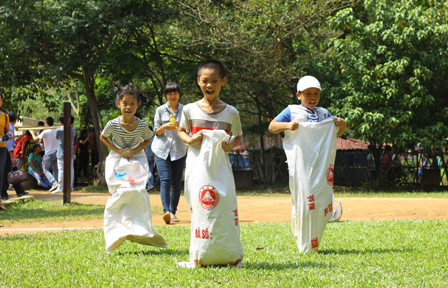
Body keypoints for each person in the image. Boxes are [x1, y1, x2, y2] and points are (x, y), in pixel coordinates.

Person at [177, 60, 244, 266]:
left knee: (223, 204)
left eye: (214, 81)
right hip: (197, 168)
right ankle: (201, 254)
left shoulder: (230, 112)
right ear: (198, 81)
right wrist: (190, 140)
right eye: (205, 81)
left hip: (221, 168)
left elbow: (238, 135)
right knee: (200, 206)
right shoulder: (189, 110)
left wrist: (229, 146)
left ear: (223, 82)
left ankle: (228, 254)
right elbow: (181, 131)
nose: (209, 85)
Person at [268, 75, 347, 222]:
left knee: (323, 186)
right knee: (304, 190)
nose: (313, 97)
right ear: (298, 95)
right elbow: (272, 126)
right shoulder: (291, 111)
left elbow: (334, 134)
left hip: (320, 160)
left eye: (316, 93)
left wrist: (343, 125)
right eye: (308, 93)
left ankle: (327, 214)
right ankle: (303, 217)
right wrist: (287, 125)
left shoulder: (323, 113)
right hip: (301, 161)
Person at [100, 85, 167, 252]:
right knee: (117, 189)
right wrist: (118, 152)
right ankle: (116, 230)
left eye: (132, 104)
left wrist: (133, 152)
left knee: (137, 190)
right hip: (117, 157)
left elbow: (147, 140)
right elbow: (103, 136)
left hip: (136, 156)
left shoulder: (142, 125)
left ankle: (140, 228)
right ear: (118, 104)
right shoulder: (113, 124)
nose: (128, 107)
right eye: (124, 103)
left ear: (137, 106)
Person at [152, 82, 187, 224]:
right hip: (162, 150)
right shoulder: (160, 110)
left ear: (179, 94)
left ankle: (173, 212)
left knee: (177, 182)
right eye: (169, 93)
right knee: (165, 180)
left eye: (175, 93)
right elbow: (156, 131)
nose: (172, 96)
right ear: (166, 95)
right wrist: (166, 126)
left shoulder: (185, 110)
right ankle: (166, 211)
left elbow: (188, 129)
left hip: (179, 150)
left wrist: (181, 128)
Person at [2, 111, 29, 200]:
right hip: (7, 152)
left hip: (6, 152)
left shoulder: (9, 126)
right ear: (16, 119)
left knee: (13, 170)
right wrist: (11, 156)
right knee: (6, 172)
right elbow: (9, 143)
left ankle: (19, 191)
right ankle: (3, 193)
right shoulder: (10, 128)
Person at [30, 117, 59, 192]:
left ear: (46, 124)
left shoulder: (46, 131)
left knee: (45, 169)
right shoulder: (56, 131)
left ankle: (54, 183)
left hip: (49, 154)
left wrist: (32, 133)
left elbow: (35, 139)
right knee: (55, 170)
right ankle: (56, 185)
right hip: (56, 153)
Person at [53, 114, 76, 193]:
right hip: (70, 152)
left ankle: (60, 187)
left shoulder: (58, 130)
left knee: (61, 171)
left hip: (61, 153)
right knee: (71, 170)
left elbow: (57, 138)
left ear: (60, 121)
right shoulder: (73, 130)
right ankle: (70, 187)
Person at [0, 93, 12, 209]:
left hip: (2, 147)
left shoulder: (5, 116)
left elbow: (7, 130)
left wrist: (9, 134)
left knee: (1, 172)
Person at [144, 125, 156, 191]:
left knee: (145, 171)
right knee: (150, 171)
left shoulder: (145, 138)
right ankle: (151, 186)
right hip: (152, 157)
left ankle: (150, 184)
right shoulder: (154, 138)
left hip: (146, 157)